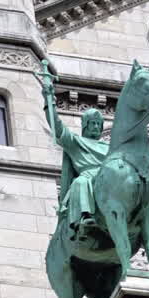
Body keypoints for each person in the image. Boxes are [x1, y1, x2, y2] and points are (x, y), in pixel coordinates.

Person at [43, 73, 108, 240]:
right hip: (88, 177)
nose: (95, 127)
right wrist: (49, 100)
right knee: (80, 182)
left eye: (98, 124)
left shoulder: (109, 146)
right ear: (85, 125)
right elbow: (58, 129)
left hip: (108, 175)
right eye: (92, 123)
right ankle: (85, 218)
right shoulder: (76, 142)